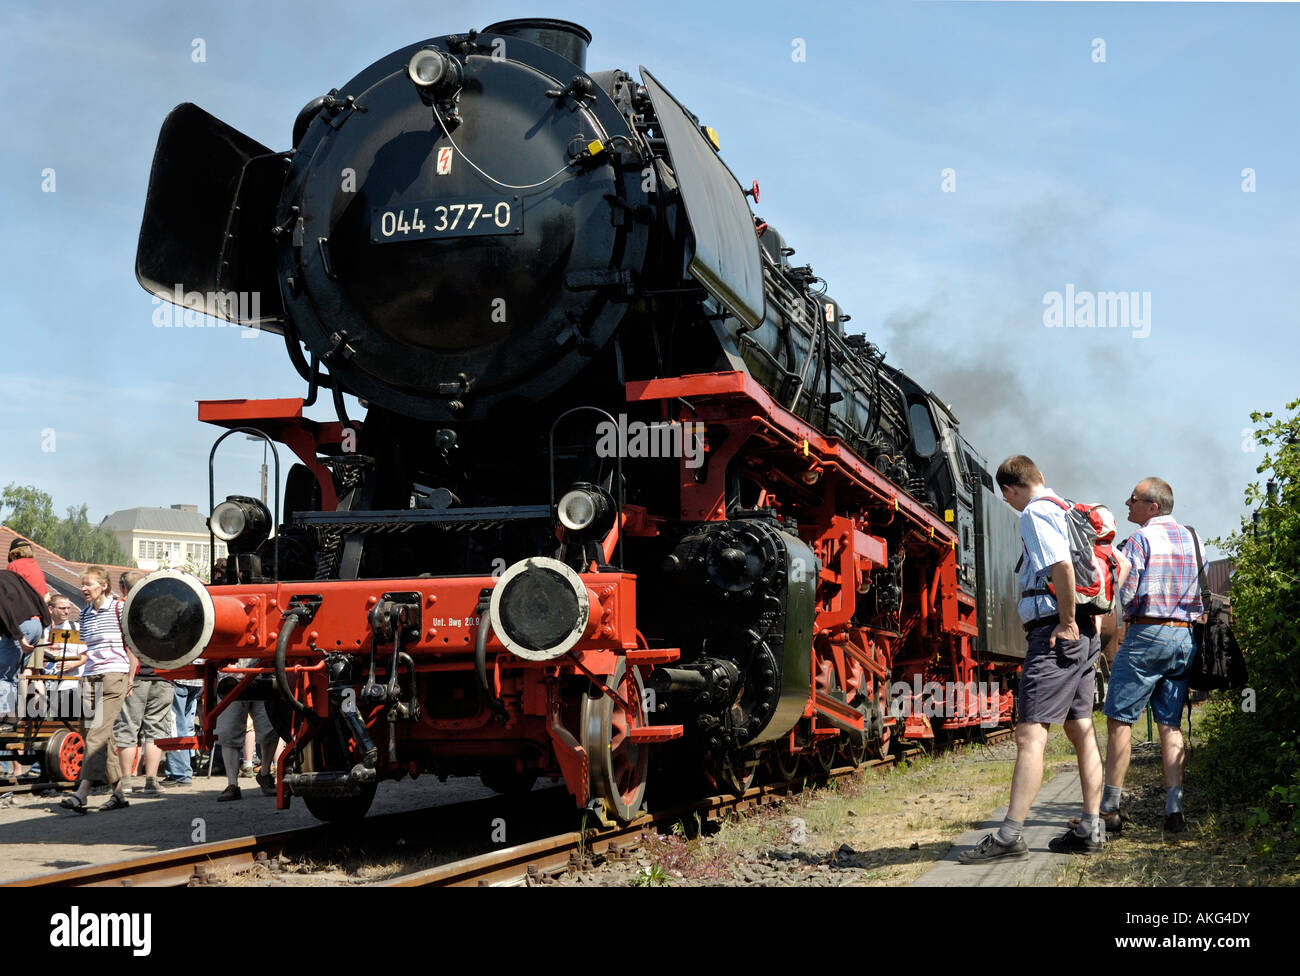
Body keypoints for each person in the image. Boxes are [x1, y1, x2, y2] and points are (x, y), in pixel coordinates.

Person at [958, 455, 1105, 861]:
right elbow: (1106, 564)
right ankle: (1092, 828)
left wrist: (1066, 621)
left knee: (1030, 735)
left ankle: (1009, 836)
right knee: (1081, 730)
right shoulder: (1069, 509)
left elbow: (1060, 565)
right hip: (1086, 635)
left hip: (1057, 633)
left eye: (1006, 498)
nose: (1009, 504)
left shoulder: (1035, 515)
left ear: (1010, 489)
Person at [1099, 477, 1203, 834]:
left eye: (1133, 500)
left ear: (1152, 507)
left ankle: (1110, 811)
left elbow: (1126, 593)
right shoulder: (1193, 537)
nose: (1127, 504)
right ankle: (1174, 811)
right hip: (1184, 638)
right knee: (1170, 726)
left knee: (1119, 721)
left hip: (1147, 634)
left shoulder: (1140, 540)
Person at [59, 566, 135, 813]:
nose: (83, 588)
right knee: (103, 737)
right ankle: (119, 795)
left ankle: (82, 793)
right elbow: (87, 651)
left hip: (114, 675)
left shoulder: (119, 608)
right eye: (83, 584)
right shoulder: (85, 614)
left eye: (88, 584)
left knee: (95, 735)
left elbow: (132, 643)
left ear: (103, 585)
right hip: (90, 677)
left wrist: (131, 677)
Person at [113, 570, 175, 797]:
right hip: (163, 674)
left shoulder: (126, 609)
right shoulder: (162, 609)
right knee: (156, 730)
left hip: (137, 676)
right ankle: (151, 780)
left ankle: (126, 782)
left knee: (128, 728)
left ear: (123, 588)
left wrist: (128, 679)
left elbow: (129, 647)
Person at [214, 658, 279, 801]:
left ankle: (264, 773)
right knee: (228, 732)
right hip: (231, 677)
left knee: (271, 729)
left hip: (263, 676)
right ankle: (232, 783)